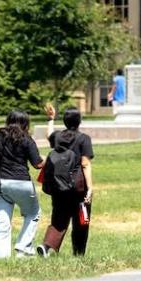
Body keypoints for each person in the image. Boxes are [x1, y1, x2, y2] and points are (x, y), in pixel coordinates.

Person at [37, 105, 95, 257]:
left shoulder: (57, 137)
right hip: (78, 188)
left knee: (58, 218)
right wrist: (89, 188)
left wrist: (50, 118)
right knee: (82, 220)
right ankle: (79, 253)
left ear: (64, 121)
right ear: (79, 121)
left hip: (59, 186)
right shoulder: (84, 139)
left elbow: (49, 134)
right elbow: (85, 163)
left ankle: (47, 246)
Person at [0, 110, 43, 259]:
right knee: (33, 213)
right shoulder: (26, 139)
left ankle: (1, 257)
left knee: (2, 221)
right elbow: (37, 164)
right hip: (22, 183)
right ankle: (23, 247)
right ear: (25, 123)